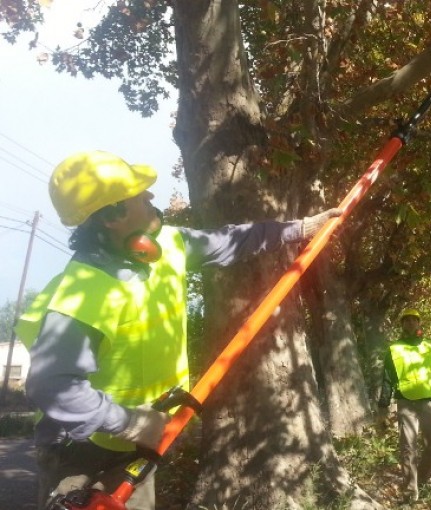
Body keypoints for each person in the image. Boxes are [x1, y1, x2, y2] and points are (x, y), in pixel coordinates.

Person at [16, 150, 340, 510]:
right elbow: (52, 385)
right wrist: (131, 424)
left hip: (138, 440)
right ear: (113, 216)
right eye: (139, 194)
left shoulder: (167, 246)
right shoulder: (84, 291)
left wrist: (299, 229)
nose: (150, 197)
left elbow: (231, 240)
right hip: (79, 452)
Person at [376, 308, 431, 502]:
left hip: (429, 402)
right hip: (405, 402)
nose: (410, 323)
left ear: (419, 323)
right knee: (408, 448)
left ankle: (421, 482)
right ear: (402, 324)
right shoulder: (394, 349)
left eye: (414, 320)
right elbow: (387, 380)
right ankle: (411, 493)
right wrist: (383, 408)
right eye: (406, 320)